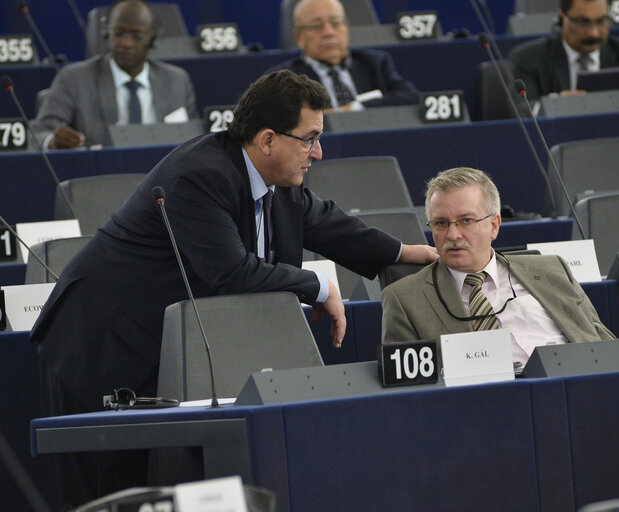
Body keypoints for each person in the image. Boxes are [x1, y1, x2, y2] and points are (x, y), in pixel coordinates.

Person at [30, 69, 437, 508]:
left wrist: (400, 251)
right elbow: (233, 273)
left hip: (161, 354)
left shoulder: (278, 181)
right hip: (98, 346)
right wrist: (317, 284)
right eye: (309, 138)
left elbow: (324, 221)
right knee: (110, 498)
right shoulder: (199, 175)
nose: (318, 153)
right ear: (267, 140)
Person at [381, 167, 614, 364]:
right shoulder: (404, 299)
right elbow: (410, 390)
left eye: (466, 221)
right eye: (440, 223)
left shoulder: (551, 269)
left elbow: (603, 342)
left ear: (494, 225)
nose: (452, 234)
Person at [30, 0, 197, 149]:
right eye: (119, 34)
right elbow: (38, 134)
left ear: (152, 40)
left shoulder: (177, 81)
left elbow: (192, 140)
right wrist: (52, 141)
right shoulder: (74, 78)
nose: (126, 43)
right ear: (106, 33)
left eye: (137, 37)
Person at [266, 0, 419, 110]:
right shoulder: (285, 78)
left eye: (335, 23)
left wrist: (354, 108)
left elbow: (411, 97)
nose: (328, 32)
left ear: (346, 28)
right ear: (299, 37)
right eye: (317, 26)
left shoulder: (374, 62)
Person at [508, 0, 619, 101]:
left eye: (601, 21)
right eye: (582, 22)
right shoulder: (528, 59)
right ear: (562, 17)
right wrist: (557, 103)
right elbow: (522, 110)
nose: (593, 33)